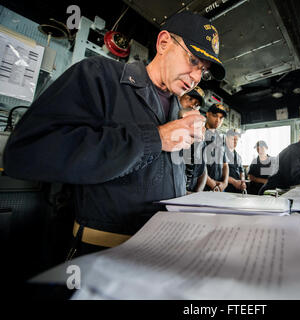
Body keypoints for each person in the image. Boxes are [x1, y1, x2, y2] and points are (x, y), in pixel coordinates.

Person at [2, 11, 225, 257]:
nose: (196, 78)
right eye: (193, 60)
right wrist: (156, 138)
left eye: (203, 71)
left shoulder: (176, 108)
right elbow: (25, 152)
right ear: (163, 43)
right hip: (103, 253)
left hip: (164, 249)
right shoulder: (98, 75)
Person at [180, 86, 208, 193]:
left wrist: (197, 193)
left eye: (197, 105)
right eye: (190, 99)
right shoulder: (167, 128)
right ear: (179, 97)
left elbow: (203, 169)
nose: (192, 105)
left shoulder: (200, 138)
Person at [203, 103, 229, 191]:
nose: (218, 120)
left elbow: (225, 165)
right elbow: (197, 166)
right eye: (215, 116)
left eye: (221, 118)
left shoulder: (221, 138)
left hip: (220, 187)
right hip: (203, 186)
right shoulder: (199, 134)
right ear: (207, 114)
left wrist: (225, 183)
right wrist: (212, 184)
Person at [224, 129, 246, 193]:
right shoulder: (221, 153)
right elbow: (219, 174)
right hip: (225, 189)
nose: (235, 142)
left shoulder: (238, 156)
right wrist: (234, 182)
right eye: (233, 139)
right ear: (226, 139)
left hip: (238, 188)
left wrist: (243, 181)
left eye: (237, 140)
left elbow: (242, 171)